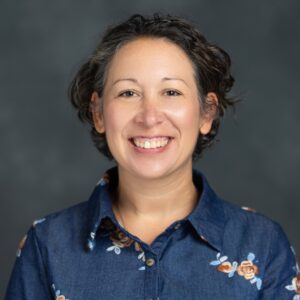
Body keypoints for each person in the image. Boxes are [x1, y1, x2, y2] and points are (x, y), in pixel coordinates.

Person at [5, 13, 300, 300]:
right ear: (98, 113)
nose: (149, 117)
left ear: (207, 112)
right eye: (128, 93)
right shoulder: (46, 244)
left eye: (171, 92)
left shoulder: (263, 244)